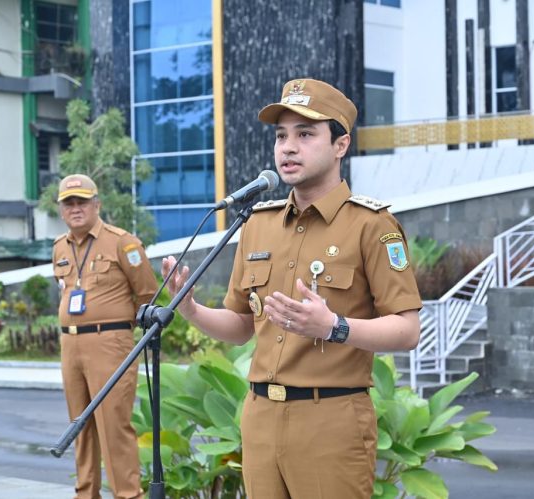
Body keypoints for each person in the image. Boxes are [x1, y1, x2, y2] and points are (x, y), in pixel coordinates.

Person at [162, 78, 422, 498]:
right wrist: (190, 308)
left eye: (305, 134)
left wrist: (334, 326)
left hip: (331, 420)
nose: (288, 147)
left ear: (341, 145)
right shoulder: (257, 224)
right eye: (281, 136)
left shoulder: (372, 226)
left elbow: (407, 330)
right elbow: (242, 324)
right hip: (260, 416)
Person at [52, 173, 157, 499]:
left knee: (114, 426)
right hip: (71, 345)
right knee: (78, 427)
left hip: (110, 344)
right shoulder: (59, 247)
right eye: (68, 203)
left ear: (96, 204)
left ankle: (127, 495)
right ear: (61, 210)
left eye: (81, 201)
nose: (75, 208)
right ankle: (86, 494)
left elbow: (148, 295)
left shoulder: (122, 242)